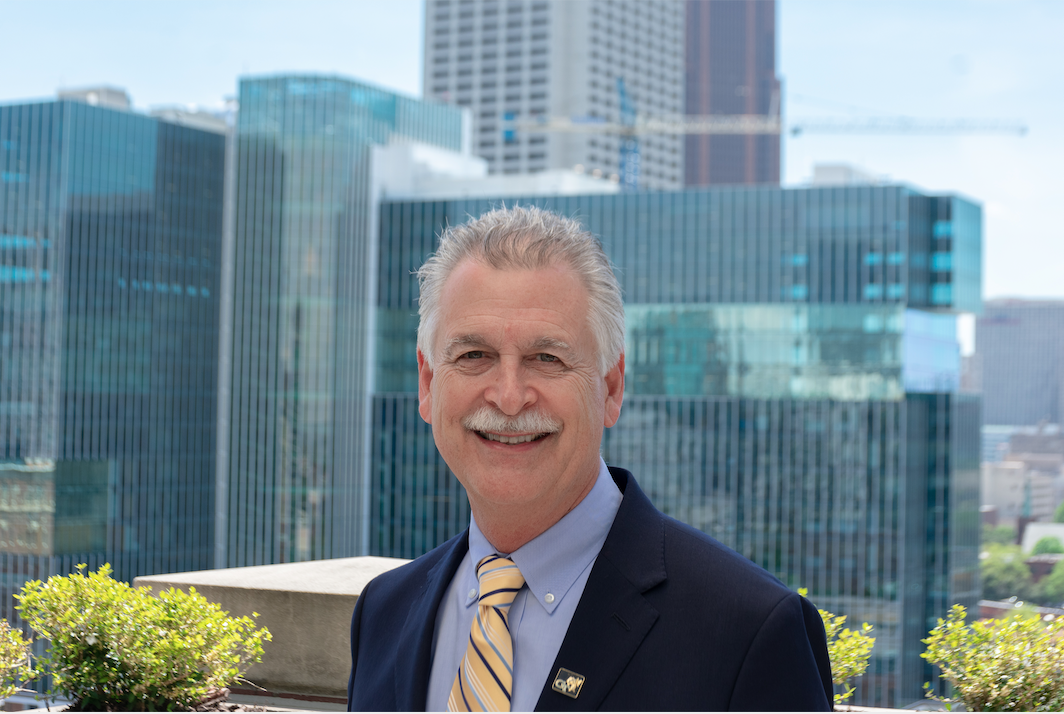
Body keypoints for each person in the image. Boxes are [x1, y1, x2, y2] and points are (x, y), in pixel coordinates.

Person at [347, 206, 833, 711]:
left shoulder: (749, 632)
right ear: (428, 384)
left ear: (611, 387)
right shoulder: (383, 613)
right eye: (474, 356)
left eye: (547, 358)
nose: (509, 397)